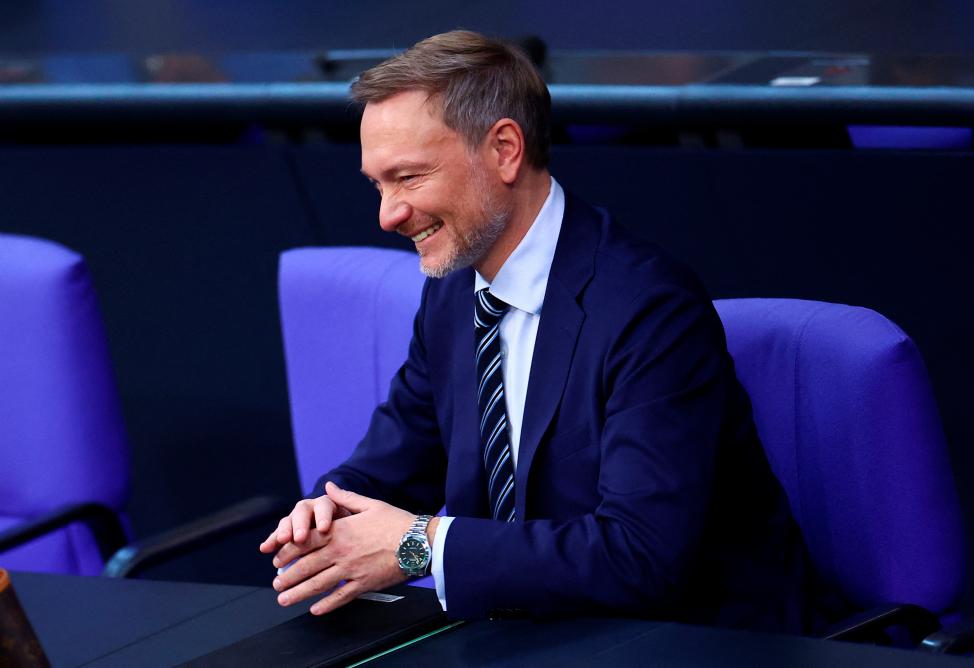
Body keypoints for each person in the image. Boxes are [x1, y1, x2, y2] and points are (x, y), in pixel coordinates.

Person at [260, 30, 811, 631]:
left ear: (503, 150)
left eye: (409, 178)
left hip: (683, 639)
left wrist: (420, 545)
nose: (387, 215)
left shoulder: (648, 308)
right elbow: (393, 460)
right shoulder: (452, 291)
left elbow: (643, 556)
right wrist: (326, 512)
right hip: (524, 633)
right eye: (377, 183)